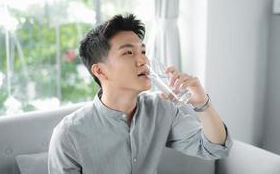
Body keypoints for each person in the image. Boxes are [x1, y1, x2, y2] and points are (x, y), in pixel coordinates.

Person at [48, 14, 233, 174]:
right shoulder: (69, 135)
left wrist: (201, 102)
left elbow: (215, 149)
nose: (143, 60)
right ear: (100, 71)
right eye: (128, 52)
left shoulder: (161, 108)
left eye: (143, 51)